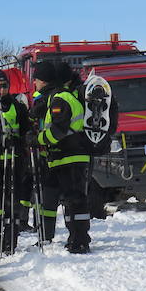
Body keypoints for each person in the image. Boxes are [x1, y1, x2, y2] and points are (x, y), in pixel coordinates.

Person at [32, 61, 92, 253]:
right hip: (65, 158)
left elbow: (58, 131)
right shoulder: (57, 97)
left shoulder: (60, 99)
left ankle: (80, 240)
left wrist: (36, 139)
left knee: (75, 201)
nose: (34, 83)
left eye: (36, 80)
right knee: (70, 201)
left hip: (71, 157)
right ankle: (75, 238)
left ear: (43, 81)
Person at [0, 69, 32, 252]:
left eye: (5, 86)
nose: (2, 90)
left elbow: (25, 131)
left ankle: (10, 241)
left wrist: (21, 139)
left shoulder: (17, 106)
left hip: (14, 159)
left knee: (12, 202)